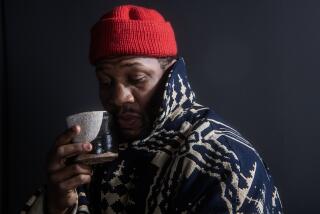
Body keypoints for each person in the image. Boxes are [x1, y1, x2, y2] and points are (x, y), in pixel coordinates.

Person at [21, 4, 283, 214]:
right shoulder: (96, 158)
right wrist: (57, 204)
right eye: (105, 82)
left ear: (170, 75)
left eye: (137, 79)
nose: (118, 97)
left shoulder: (221, 158)